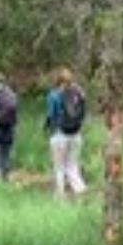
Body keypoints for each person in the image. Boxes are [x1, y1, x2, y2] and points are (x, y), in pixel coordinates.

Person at [44, 68, 88, 197]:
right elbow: (83, 113)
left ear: (57, 80)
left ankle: (60, 196)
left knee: (59, 168)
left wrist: (48, 129)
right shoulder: (78, 93)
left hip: (59, 134)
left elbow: (51, 115)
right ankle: (81, 191)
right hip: (76, 134)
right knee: (73, 166)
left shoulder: (53, 95)